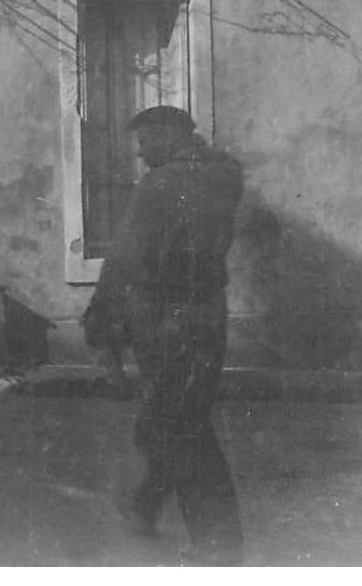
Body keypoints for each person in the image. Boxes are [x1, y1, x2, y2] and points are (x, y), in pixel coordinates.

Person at [84, 105, 246, 565]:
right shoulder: (223, 178)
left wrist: (100, 323)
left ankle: (220, 548)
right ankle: (145, 503)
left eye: (146, 140)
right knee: (177, 416)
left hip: (165, 321)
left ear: (172, 136)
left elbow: (124, 259)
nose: (139, 151)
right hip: (210, 317)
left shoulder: (160, 185)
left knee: (180, 428)